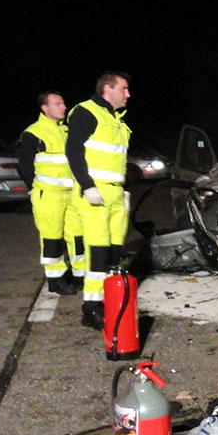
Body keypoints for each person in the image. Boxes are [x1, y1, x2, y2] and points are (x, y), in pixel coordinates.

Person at [66, 71, 132, 329]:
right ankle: (92, 307)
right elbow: (73, 151)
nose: (128, 94)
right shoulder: (87, 112)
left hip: (114, 193)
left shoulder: (115, 119)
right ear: (108, 90)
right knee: (98, 251)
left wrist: (122, 192)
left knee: (115, 251)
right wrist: (87, 186)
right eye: (124, 89)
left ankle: (110, 300)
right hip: (95, 193)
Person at [18, 90, 84, 295]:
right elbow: (24, 167)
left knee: (77, 235)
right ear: (44, 108)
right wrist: (34, 189)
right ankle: (55, 279)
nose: (64, 107)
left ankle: (80, 275)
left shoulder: (66, 131)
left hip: (71, 194)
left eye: (63, 103)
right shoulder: (34, 133)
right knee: (52, 237)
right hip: (49, 195)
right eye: (57, 104)